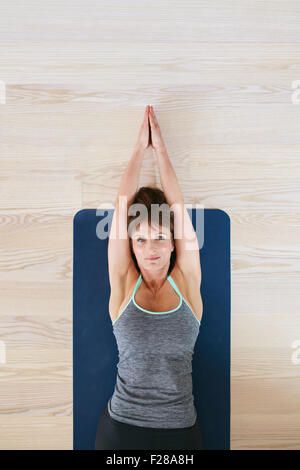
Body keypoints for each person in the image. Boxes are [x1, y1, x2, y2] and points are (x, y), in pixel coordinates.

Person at [95, 105, 204, 450]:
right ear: (131, 246)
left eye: (159, 237)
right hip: (121, 428)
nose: (151, 248)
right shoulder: (124, 281)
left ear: (174, 243)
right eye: (140, 239)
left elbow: (178, 205)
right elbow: (122, 205)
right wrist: (139, 149)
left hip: (180, 432)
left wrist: (162, 153)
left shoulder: (186, 280)